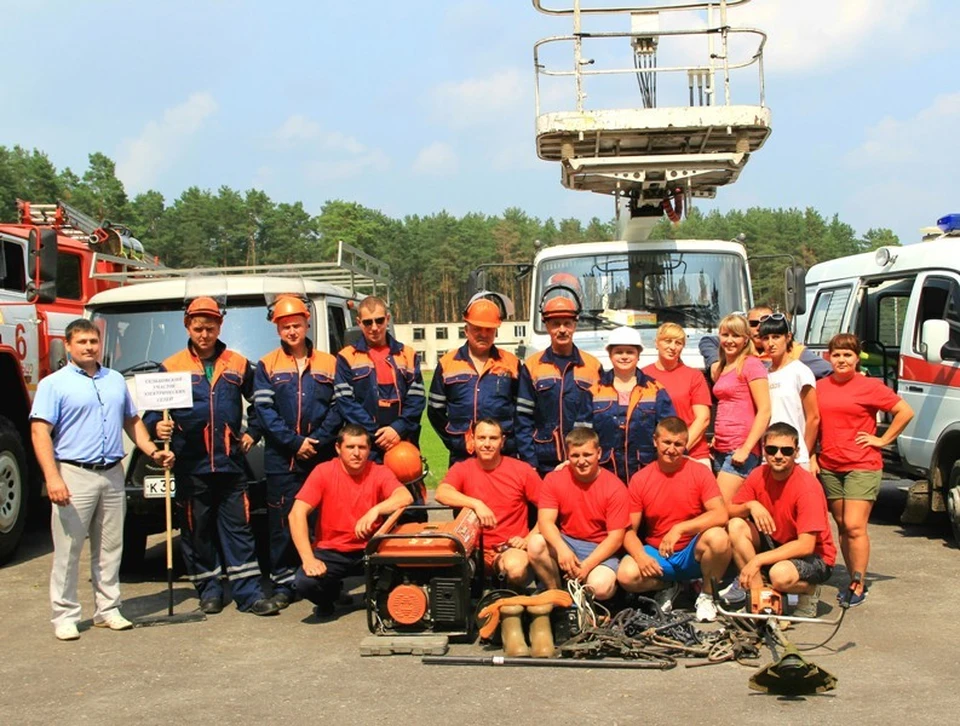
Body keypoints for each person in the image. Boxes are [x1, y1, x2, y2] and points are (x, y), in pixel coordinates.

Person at [30, 319, 175, 641]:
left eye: (93, 341)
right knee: (68, 550)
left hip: (112, 473)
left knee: (111, 547)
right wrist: (52, 477)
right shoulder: (54, 384)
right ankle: (65, 615)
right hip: (73, 473)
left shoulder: (114, 381)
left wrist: (152, 451)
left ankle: (108, 609)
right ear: (68, 346)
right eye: (81, 342)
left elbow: (131, 420)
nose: (88, 347)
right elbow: (40, 431)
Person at [144, 297, 279, 616]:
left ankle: (249, 595)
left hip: (231, 463)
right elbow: (151, 414)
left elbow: (260, 402)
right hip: (191, 464)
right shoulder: (171, 366)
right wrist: (158, 426)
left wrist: (253, 432)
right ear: (187, 326)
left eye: (210, 327)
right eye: (198, 328)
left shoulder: (238, 362)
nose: (204, 334)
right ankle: (209, 590)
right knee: (197, 530)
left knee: (240, 529)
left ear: (220, 326)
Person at [253, 295, 341, 609]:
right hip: (282, 457)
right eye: (286, 326)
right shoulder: (266, 365)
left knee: (325, 520)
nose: (292, 331)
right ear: (278, 329)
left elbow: (338, 406)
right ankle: (283, 583)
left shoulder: (330, 363)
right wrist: (294, 443)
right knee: (282, 520)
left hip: (321, 454)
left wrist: (316, 440)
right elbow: (264, 411)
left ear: (307, 324)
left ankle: (323, 579)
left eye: (297, 325)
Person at [814, 333, 914, 605]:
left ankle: (858, 583)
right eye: (837, 354)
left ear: (857, 358)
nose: (842, 360)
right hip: (831, 464)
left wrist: (882, 439)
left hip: (862, 464)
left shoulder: (869, 386)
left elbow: (904, 411)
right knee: (843, 526)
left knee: (856, 526)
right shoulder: (821, 387)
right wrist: (813, 454)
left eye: (847, 355)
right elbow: (814, 422)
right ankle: (851, 577)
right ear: (829, 357)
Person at [289, 424, 414, 618]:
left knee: (409, 572)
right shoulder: (323, 472)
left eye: (362, 448)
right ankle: (331, 596)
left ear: (369, 450)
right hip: (332, 550)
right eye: (350, 447)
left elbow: (405, 496)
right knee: (306, 583)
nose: (356, 453)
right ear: (338, 448)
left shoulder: (379, 471)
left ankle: (377, 593)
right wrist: (308, 559)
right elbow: (296, 514)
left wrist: (376, 510)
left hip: (371, 548)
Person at [617, 417, 730, 622]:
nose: (671, 449)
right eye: (666, 443)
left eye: (678, 444)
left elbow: (720, 514)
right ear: (655, 441)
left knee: (719, 537)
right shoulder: (641, 479)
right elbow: (628, 530)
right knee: (626, 574)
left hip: (692, 552)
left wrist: (680, 529)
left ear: (685, 445)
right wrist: (641, 557)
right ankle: (669, 586)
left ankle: (706, 595)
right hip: (658, 552)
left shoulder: (699, 472)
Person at [727, 423, 837, 617]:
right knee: (735, 525)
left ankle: (808, 590)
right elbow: (730, 510)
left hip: (815, 557)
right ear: (764, 450)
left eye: (786, 450)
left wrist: (758, 561)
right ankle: (762, 599)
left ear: (796, 452)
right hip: (776, 544)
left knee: (779, 575)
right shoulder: (758, 474)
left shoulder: (807, 488)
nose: (778, 455)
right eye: (771, 449)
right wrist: (750, 505)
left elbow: (806, 546)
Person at [435, 419, 541, 589]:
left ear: (502, 442)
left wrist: (528, 539)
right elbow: (441, 493)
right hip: (471, 550)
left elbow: (549, 509)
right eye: (481, 438)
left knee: (515, 568)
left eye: (493, 438)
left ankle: (512, 602)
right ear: (472, 440)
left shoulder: (522, 470)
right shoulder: (462, 468)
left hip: (508, 548)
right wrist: (476, 504)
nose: (487, 444)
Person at [527, 428, 628, 602]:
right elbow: (545, 522)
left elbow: (616, 538)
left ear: (599, 453)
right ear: (568, 455)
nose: (581, 461)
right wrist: (562, 549)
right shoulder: (554, 479)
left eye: (587, 455)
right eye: (575, 456)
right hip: (568, 541)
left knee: (600, 586)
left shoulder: (615, 487)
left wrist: (587, 565)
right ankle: (557, 595)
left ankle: (588, 604)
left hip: (600, 547)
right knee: (536, 543)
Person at [428, 297, 522, 465]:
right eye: (477, 328)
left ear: (496, 331)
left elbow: (522, 412)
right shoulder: (447, 364)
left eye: (489, 329)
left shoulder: (512, 363)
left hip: (504, 456)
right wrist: (454, 442)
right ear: (466, 329)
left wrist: (508, 442)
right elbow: (435, 411)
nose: (483, 334)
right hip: (462, 457)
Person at [516, 292, 601, 475]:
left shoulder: (592, 366)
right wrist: (530, 461)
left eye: (567, 323)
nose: (562, 329)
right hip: (543, 462)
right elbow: (523, 419)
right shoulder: (532, 366)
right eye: (556, 324)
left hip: (581, 461)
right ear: (547, 326)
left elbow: (600, 418)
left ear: (575, 325)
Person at [334, 296, 425, 463]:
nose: (374, 328)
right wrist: (376, 433)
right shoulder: (347, 357)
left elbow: (417, 399)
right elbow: (346, 402)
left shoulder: (408, 354)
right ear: (359, 322)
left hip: (402, 440)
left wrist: (397, 429)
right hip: (365, 445)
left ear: (388, 319)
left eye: (379, 321)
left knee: (406, 488)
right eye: (368, 322)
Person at [592, 326, 675, 482]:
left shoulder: (655, 389)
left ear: (638, 355)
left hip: (646, 472)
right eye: (618, 352)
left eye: (630, 352)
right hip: (605, 472)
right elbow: (582, 433)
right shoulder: (594, 390)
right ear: (610, 355)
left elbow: (670, 431)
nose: (624, 356)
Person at [709, 313, 771, 501]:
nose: (729, 340)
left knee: (720, 506)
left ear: (746, 339)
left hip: (740, 449)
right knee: (729, 511)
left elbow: (765, 410)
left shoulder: (751, 364)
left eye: (736, 336)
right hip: (721, 447)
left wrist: (746, 448)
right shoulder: (722, 367)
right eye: (725, 335)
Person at [642, 322, 712, 466]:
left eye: (678, 343)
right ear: (656, 343)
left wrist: (681, 448)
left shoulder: (694, 375)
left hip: (693, 454)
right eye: (667, 341)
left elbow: (703, 418)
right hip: (654, 456)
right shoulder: (643, 375)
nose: (673, 347)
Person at [699, 305, 832, 378]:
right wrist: (715, 362)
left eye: (766, 323)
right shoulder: (740, 346)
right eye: (753, 323)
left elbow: (828, 371)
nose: (759, 328)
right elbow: (707, 341)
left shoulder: (795, 351)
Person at [759, 313, 819, 470]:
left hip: (795, 457)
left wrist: (803, 451)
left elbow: (813, 417)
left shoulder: (800, 371)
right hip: (769, 455)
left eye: (776, 336)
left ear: (788, 337)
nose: (770, 343)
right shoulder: (762, 374)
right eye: (766, 338)